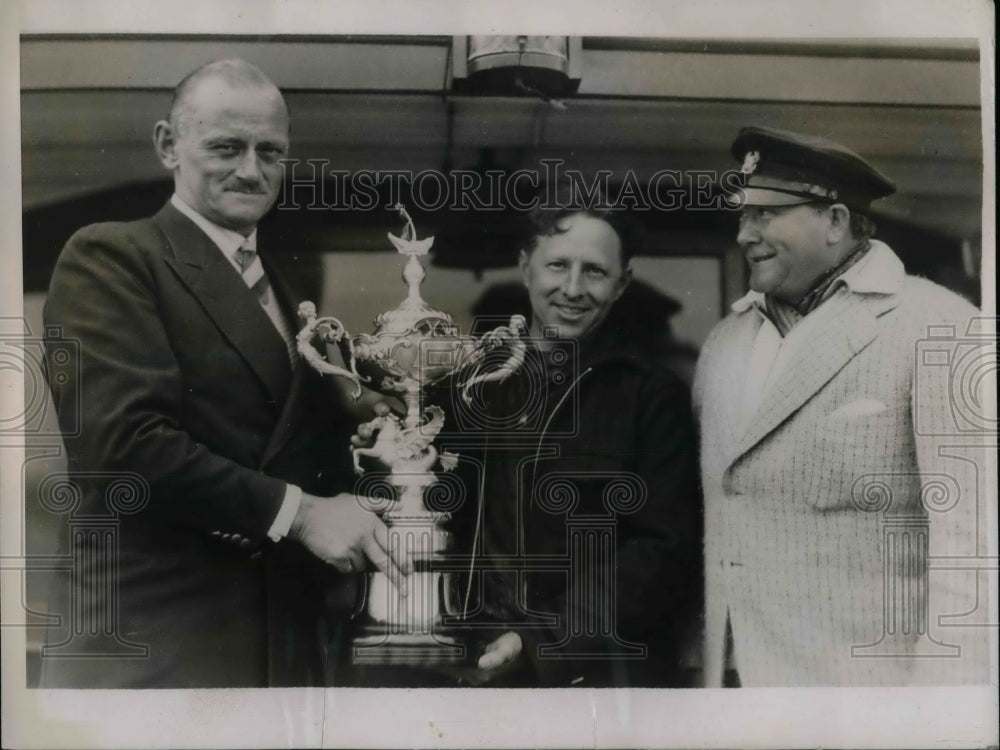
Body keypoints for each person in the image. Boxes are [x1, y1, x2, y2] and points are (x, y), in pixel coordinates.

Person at [40, 58, 408, 688]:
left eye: (271, 151)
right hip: (157, 648)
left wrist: (377, 447)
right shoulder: (112, 256)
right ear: (167, 145)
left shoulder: (286, 295)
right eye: (226, 147)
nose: (251, 170)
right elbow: (122, 446)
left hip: (274, 647)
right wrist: (302, 513)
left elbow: (282, 442)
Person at [694, 125, 989, 686]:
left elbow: (970, 550)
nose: (744, 234)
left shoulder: (943, 326)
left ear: (835, 221)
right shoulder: (724, 343)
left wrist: (943, 713)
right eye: (742, 215)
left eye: (765, 214)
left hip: (871, 702)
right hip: (739, 693)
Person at [443, 193, 701, 687]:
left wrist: (541, 638)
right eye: (557, 265)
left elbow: (659, 553)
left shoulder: (651, 397)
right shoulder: (468, 387)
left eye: (596, 272)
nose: (573, 288)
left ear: (623, 283)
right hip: (475, 662)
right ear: (526, 269)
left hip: (595, 671)